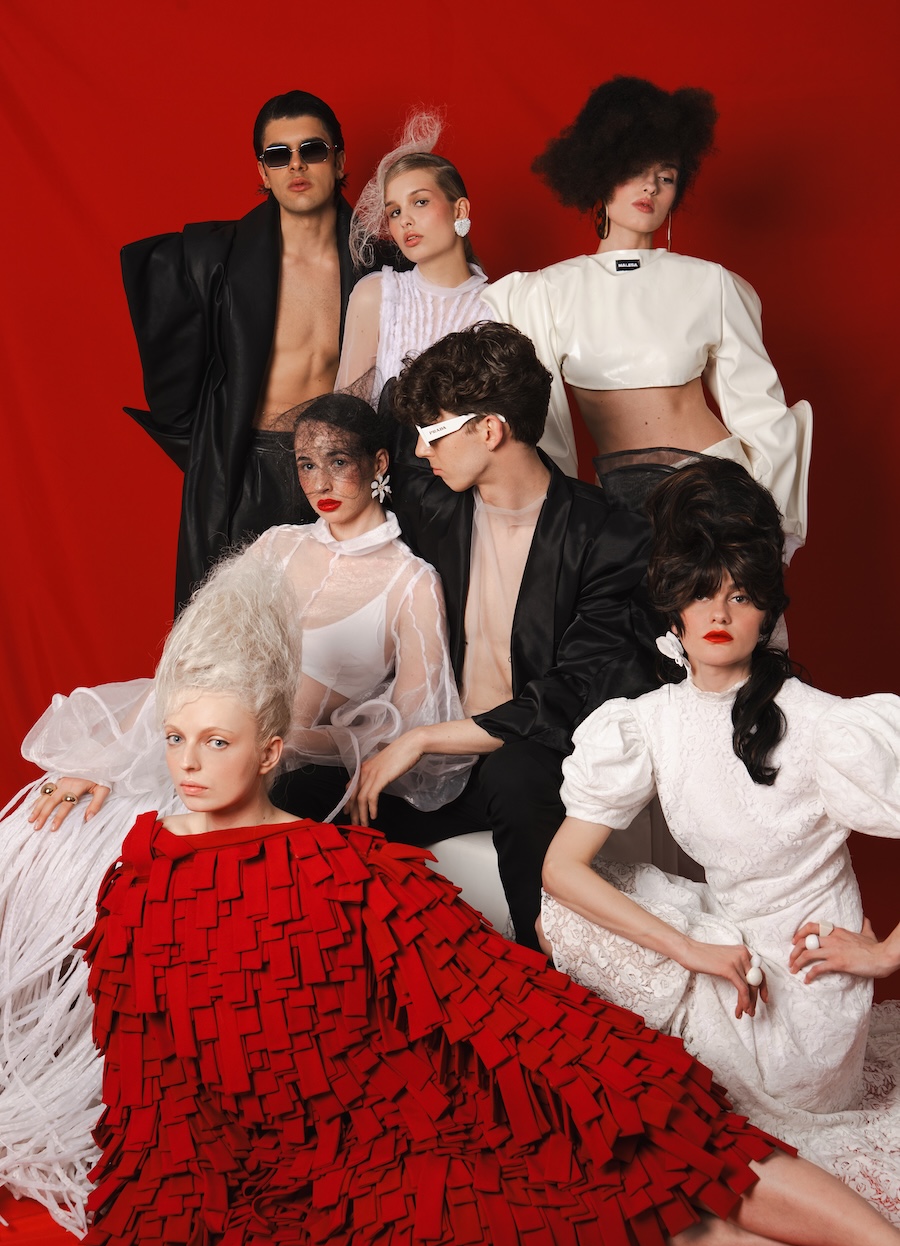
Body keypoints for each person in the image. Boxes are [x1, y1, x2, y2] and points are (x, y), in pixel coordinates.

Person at [77, 557, 900, 1246]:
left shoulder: (344, 865)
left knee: (653, 1127)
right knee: (442, 1229)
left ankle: (851, 1244)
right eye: (175, 739)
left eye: (215, 742)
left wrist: (602, 1062)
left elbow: (480, 987)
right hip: (290, 1153)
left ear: (267, 751)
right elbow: (148, 1063)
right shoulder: (140, 873)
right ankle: (754, 1240)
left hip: (396, 1108)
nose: (189, 764)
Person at [0, 393, 468, 1234]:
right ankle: (29, 1047)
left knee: (157, 854)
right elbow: (190, 669)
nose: (321, 481)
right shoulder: (276, 547)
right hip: (201, 751)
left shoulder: (410, 581)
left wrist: (307, 741)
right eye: (306, 463)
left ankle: (88, 1093)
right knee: (55, 827)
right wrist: (109, 762)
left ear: (379, 465)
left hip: (288, 778)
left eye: (338, 461)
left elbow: (415, 724)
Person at [540, 457, 900, 1222]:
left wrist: (884, 954)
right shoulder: (650, 723)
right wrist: (690, 950)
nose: (720, 613)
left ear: (767, 610)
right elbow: (561, 869)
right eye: (701, 590)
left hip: (804, 1001)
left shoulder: (822, 725)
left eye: (741, 594)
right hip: (728, 955)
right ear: (671, 605)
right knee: (564, 908)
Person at [347, 321, 660, 949]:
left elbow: (573, 693)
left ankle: (539, 976)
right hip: (441, 762)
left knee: (517, 778)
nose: (422, 451)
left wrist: (423, 739)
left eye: (433, 433)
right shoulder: (432, 507)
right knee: (309, 793)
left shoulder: (610, 536)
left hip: (530, 752)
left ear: (489, 430)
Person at [484, 76, 811, 555]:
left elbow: (761, 411)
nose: (651, 187)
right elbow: (543, 431)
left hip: (714, 497)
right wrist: (556, 528)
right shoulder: (544, 294)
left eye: (667, 176)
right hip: (616, 511)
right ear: (600, 172)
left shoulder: (712, 284)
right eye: (636, 169)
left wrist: (770, 527)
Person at [122, 90, 373, 610]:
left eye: (312, 150)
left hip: (343, 469)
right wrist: (209, 448)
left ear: (339, 160)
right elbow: (173, 381)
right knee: (232, 631)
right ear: (262, 171)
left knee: (341, 631)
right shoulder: (216, 257)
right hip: (249, 470)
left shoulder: (377, 262)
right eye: (278, 155)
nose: (296, 165)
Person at [334, 112, 497, 420]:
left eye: (420, 202)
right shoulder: (377, 295)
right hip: (384, 453)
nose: (405, 220)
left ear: (459, 210)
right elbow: (346, 419)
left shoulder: (500, 305)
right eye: (394, 212)